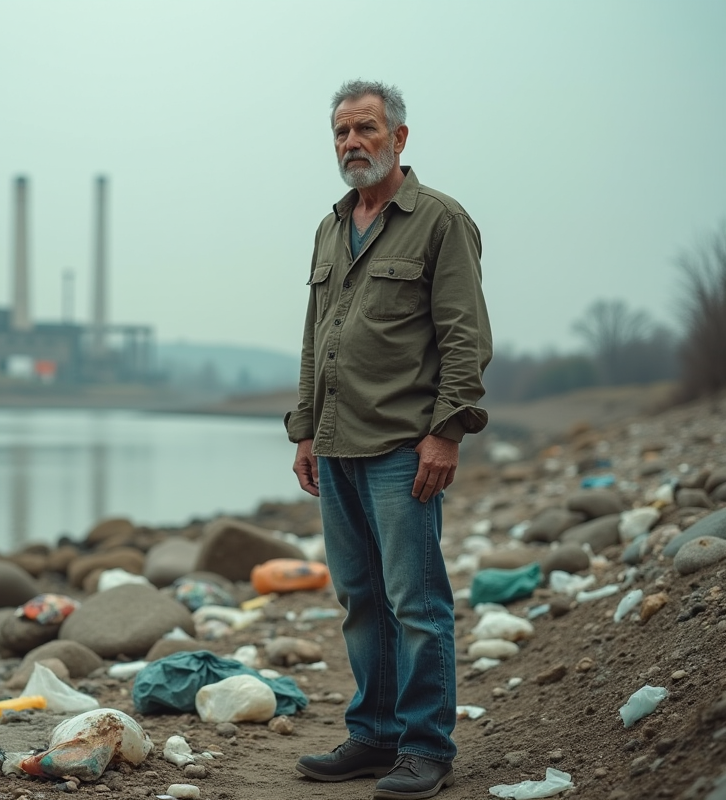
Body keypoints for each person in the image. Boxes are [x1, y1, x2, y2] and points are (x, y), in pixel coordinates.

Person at [285, 79, 492, 800]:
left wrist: (447, 433)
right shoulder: (330, 226)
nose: (351, 144)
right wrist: (305, 429)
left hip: (405, 446)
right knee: (360, 600)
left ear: (399, 138)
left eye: (366, 129)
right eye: (341, 132)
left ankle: (427, 748)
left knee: (416, 603)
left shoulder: (439, 221)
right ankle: (373, 736)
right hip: (337, 447)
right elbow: (317, 339)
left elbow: (465, 340)